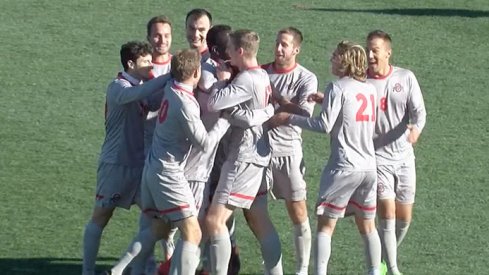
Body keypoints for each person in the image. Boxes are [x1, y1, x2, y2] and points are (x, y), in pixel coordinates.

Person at [106, 48, 231, 275]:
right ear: (195, 72)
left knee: (158, 228)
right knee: (193, 233)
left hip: (152, 168)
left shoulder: (171, 88)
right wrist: (225, 121)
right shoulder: (186, 103)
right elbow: (204, 143)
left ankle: (118, 270)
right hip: (168, 174)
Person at [271, 41, 381, 275]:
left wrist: (288, 118)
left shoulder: (337, 87)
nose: (331, 58)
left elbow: (324, 125)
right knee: (368, 226)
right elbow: (356, 114)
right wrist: (326, 101)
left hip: (343, 167)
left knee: (325, 226)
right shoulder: (370, 89)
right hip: (370, 167)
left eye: (335, 55)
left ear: (346, 61)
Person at [82, 41, 171, 275]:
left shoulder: (141, 85)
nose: (151, 65)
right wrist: (169, 75)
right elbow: (139, 94)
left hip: (139, 167)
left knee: (162, 219)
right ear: (130, 64)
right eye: (145, 61)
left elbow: (156, 98)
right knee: (100, 217)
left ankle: (120, 269)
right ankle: (87, 271)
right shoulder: (118, 87)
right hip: (115, 165)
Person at [205, 29, 283, 275]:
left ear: (239, 51)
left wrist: (220, 79)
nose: (226, 53)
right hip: (259, 155)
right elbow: (249, 114)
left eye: (229, 49)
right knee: (260, 221)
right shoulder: (261, 75)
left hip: (243, 158)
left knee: (214, 221)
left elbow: (214, 103)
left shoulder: (246, 79)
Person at [366, 30, 426, 275]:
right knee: (387, 214)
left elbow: (419, 112)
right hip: (377, 158)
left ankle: (377, 261)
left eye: (375, 50)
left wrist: (416, 131)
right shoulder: (361, 81)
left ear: (387, 53)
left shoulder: (405, 77)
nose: (370, 54)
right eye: (367, 49)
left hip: (403, 157)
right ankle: (392, 269)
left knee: (404, 219)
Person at [262, 27, 317, 275]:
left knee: (298, 211)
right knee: (254, 213)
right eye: (277, 43)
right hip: (258, 152)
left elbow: (304, 113)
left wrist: (280, 104)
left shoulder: (306, 78)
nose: (278, 48)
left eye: (284, 44)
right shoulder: (261, 72)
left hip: (288, 152)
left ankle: (302, 269)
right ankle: (272, 268)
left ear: (296, 49)